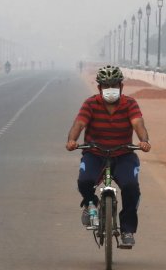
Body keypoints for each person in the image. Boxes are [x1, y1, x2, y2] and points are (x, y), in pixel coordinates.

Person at [65, 65, 151, 248]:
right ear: (99, 88)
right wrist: (72, 140)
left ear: (121, 87)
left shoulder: (129, 103)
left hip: (124, 153)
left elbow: (138, 124)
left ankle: (127, 230)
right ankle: (90, 204)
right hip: (95, 153)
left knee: (131, 187)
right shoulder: (90, 104)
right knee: (84, 181)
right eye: (106, 86)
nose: (110, 89)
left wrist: (144, 141)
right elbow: (79, 124)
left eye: (114, 85)